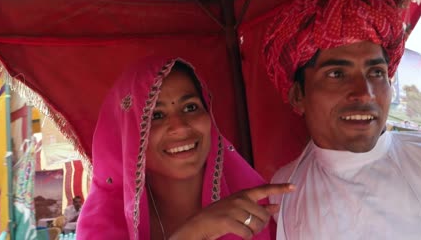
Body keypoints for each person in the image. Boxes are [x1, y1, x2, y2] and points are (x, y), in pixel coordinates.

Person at [263, 0, 421, 239]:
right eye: (337, 75)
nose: (365, 93)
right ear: (298, 95)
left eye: (376, 73)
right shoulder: (282, 191)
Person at [77, 56, 294, 239]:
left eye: (190, 107)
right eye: (157, 115)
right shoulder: (104, 222)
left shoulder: (256, 203)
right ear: (129, 136)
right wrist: (196, 230)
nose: (179, 127)